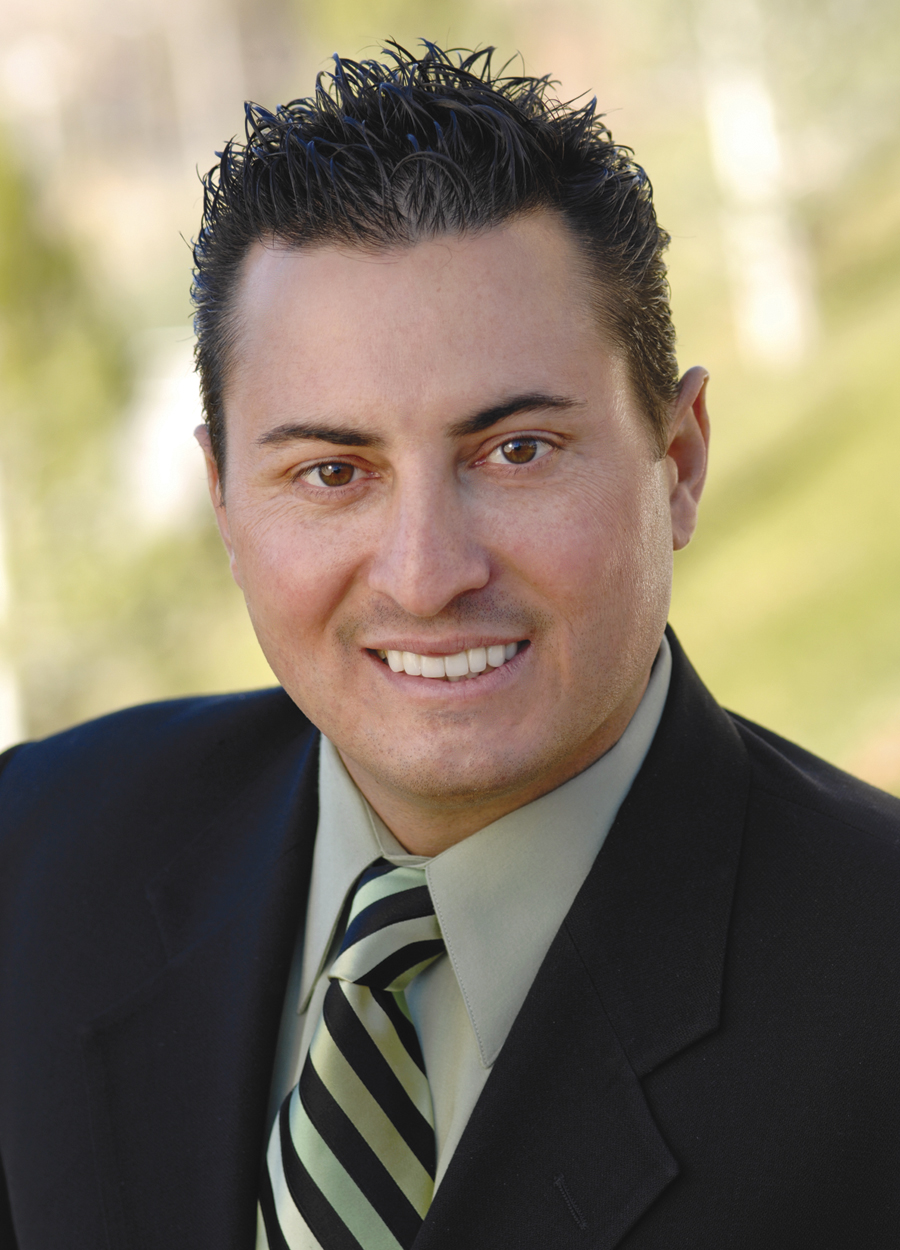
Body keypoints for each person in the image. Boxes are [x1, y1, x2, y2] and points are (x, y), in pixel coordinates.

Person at [1, 40, 899, 1250]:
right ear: (223, 501)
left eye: (516, 451)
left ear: (679, 460)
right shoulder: (36, 857)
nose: (427, 575)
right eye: (333, 472)